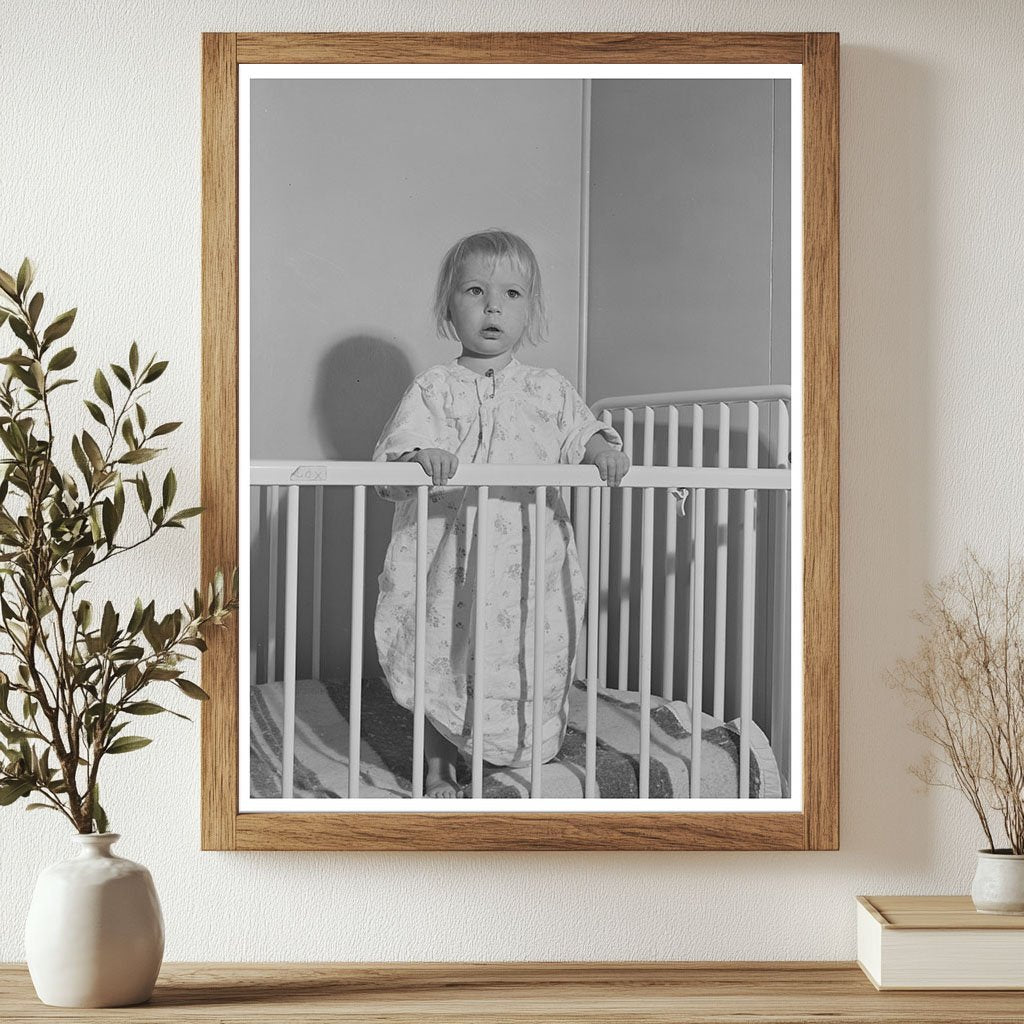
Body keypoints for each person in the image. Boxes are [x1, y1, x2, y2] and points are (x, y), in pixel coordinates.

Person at [373, 229, 630, 797]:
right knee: (443, 658)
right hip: (451, 562)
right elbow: (397, 454)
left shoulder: (549, 390)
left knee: (522, 655)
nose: (493, 306)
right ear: (449, 307)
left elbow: (581, 433)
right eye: (475, 291)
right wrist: (422, 456)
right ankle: (439, 763)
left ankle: (500, 756)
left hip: (526, 565)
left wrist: (603, 453)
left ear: (529, 311)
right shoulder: (434, 389)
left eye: (512, 294)